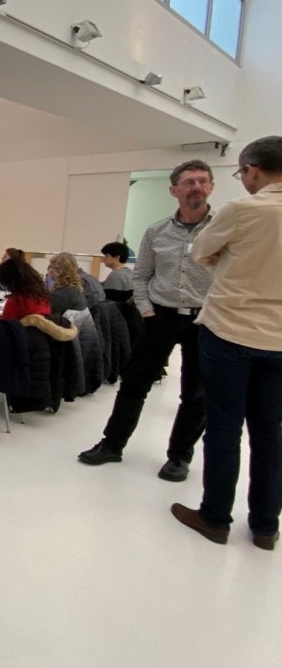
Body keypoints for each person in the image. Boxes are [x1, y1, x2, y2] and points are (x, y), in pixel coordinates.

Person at [170, 137, 282, 550]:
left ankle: (216, 517)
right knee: (271, 433)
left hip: (230, 332)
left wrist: (228, 254)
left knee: (223, 427)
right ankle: (267, 527)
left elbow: (200, 250)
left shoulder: (242, 209)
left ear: (251, 169)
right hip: (279, 341)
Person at [79, 159, 215, 481]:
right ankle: (112, 444)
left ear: (211, 187)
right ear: (174, 190)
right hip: (161, 317)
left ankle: (179, 456)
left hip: (204, 319)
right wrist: (147, 311)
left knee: (195, 394)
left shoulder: (223, 229)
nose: (196, 186)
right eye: (189, 181)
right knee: (134, 383)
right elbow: (141, 277)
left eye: (202, 181)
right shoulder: (157, 231)